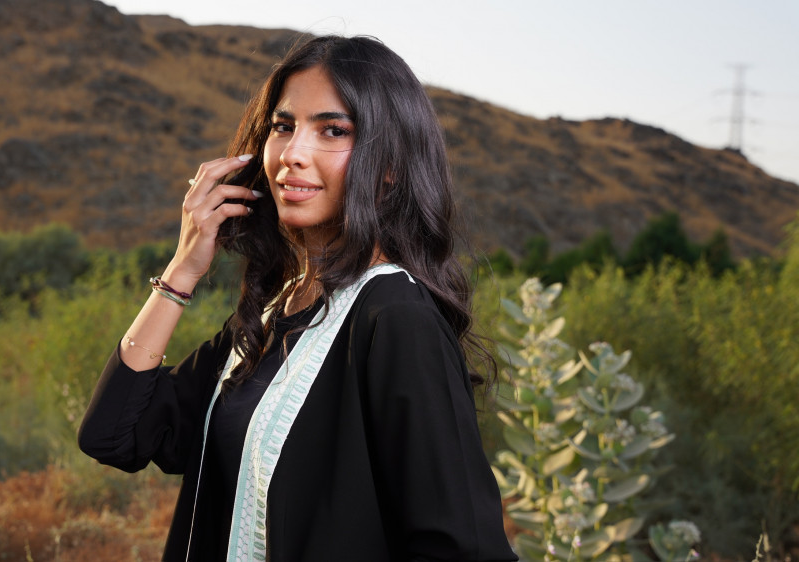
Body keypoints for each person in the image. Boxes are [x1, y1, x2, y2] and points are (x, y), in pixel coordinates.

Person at [78, 34, 518, 561]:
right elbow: (114, 435)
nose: (292, 154)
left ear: (390, 165)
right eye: (283, 127)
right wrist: (182, 271)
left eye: (333, 130)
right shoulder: (270, 316)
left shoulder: (396, 316)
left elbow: (463, 548)